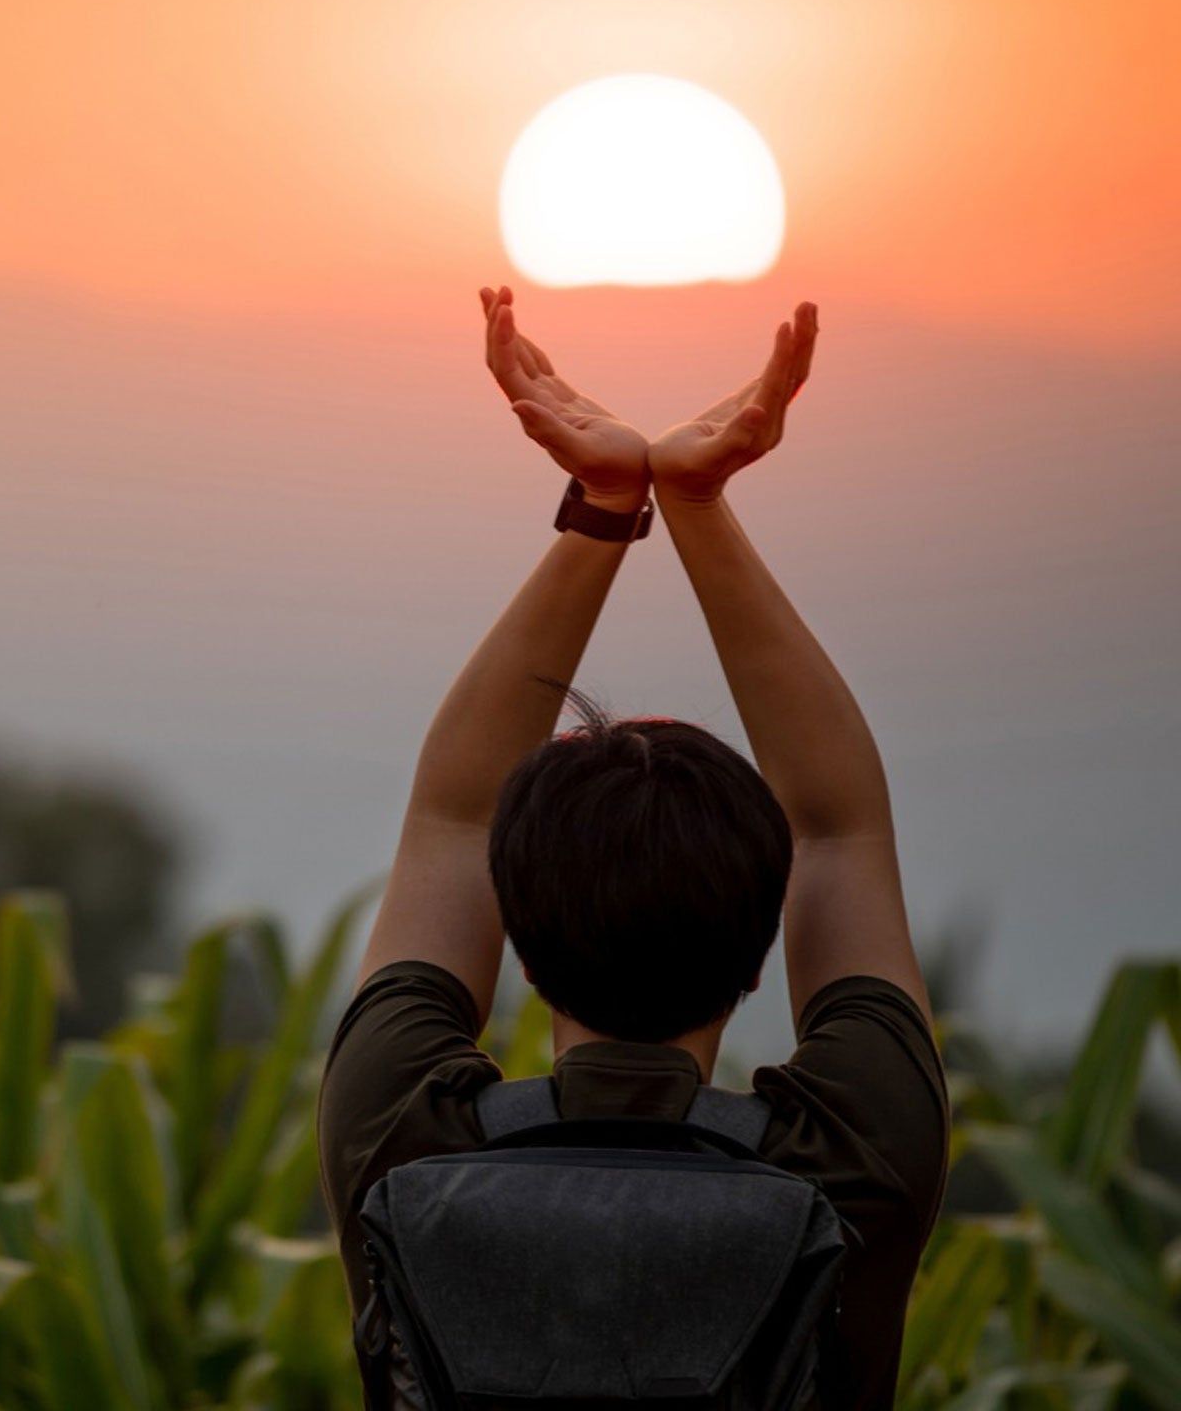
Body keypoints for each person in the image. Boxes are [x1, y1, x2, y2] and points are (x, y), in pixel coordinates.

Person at [317, 284, 950, 1411]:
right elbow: (841, 826)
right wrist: (695, 500)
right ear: (764, 949)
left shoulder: (404, 1141)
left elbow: (451, 818)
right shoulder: (852, 1163)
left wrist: (609, 505)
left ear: (517, 941)